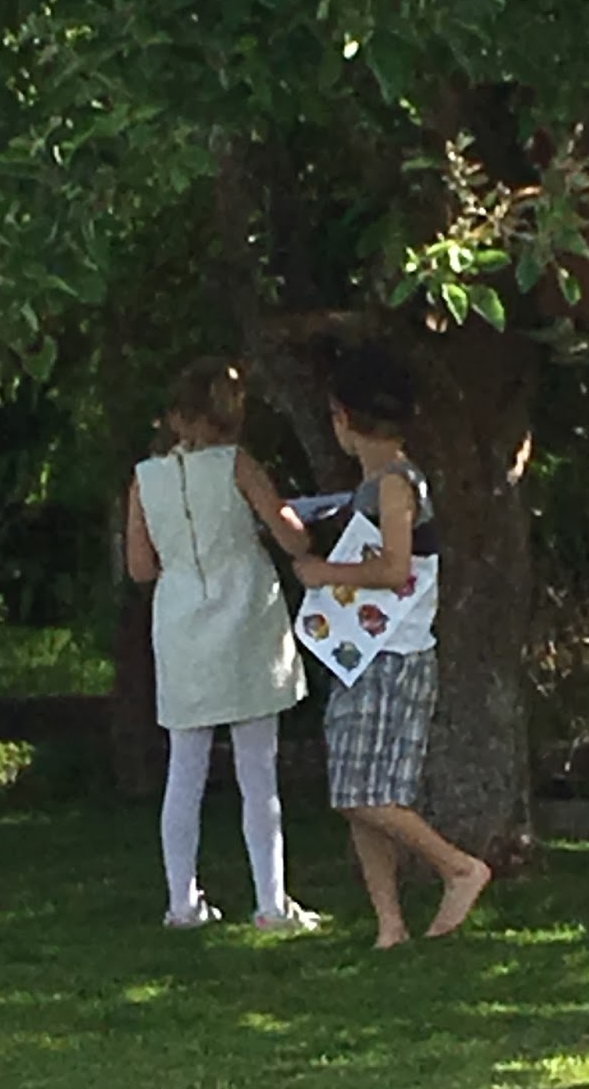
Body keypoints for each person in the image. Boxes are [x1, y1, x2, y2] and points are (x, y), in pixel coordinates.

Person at [293, 344, 491, 950]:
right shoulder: (375, 486)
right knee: (357, 795)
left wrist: (323, 574)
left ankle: (459, 868)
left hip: (394, 657)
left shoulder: (395, 486)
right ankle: (390, 925)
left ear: (343, 418)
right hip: (362, 653)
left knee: (363, 794)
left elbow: (395, 570)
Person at [126, 357, 318, 931]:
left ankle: (182, 902)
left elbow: (140, 568)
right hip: (245, 613)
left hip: (180, 619)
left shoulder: (144, 479)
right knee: (257, 769)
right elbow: (291, 537)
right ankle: (271, 902)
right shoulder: (238, 465)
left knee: (184, 768)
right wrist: (296, 526)